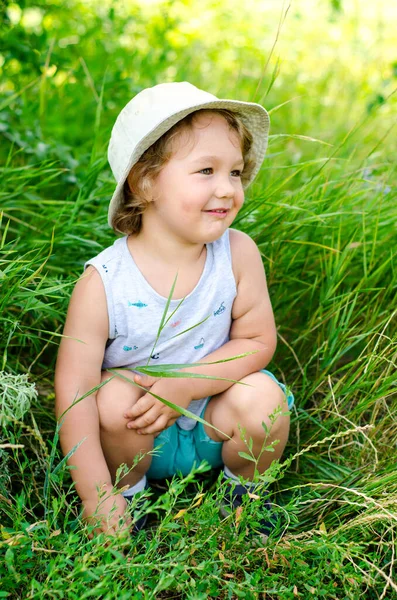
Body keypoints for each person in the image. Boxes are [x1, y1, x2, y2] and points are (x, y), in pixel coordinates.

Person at [55, 81, 294, 540]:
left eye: (235, 173)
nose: (227, 189)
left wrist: (184, 385)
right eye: (206, 170)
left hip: (213, 421)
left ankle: (241, 494)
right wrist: (94, 494)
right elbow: (75, 391)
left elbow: (259, 341)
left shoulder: (237, 254)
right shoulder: (103, 282)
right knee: (109, 396)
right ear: (145, 181)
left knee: (265, 400)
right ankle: (127, 496)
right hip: (137, 434)